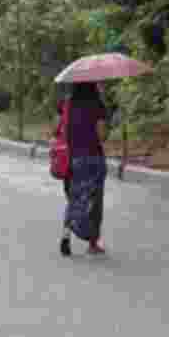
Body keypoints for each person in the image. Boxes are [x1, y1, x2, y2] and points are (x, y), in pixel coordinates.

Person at [60, 82, 110, 257]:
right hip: (93, 158)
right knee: (95, 201)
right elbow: (102, 135)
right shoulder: (97, 104)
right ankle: (93, 243)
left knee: (74, 196)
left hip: (74, 158)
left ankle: (66, 236)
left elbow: (57, 129)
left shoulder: (67, 104)